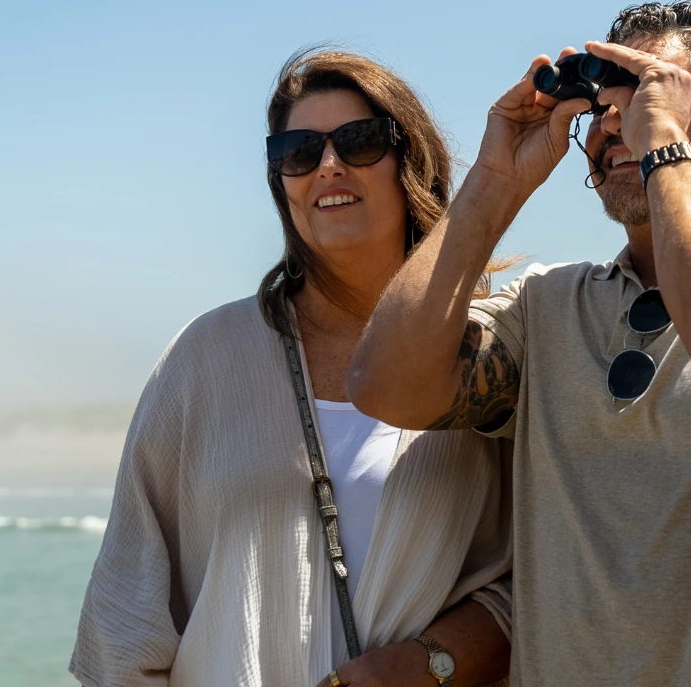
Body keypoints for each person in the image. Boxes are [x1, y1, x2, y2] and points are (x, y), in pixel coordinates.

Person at [349, 1, 691, 686]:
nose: (615, 119)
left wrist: (663, 145)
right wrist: (496, 181)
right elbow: (385, 385)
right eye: (600, 103)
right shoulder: (549, 306)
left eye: (647, 93)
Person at [71, 50, 513, 687]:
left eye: (359, 142)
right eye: (299, 150)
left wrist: (426, 664)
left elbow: (538, 576)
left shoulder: (488, 352)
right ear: (281, 178)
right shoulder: (204, 359)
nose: (328, 165)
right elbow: (124, 617)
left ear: (407, 158)